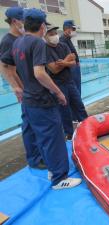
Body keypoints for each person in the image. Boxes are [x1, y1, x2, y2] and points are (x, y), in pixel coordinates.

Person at [1, 8, 81, 189]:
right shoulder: (38, 43)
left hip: (29, 99)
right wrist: (58, 92)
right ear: (43, 26)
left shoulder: (17, 42)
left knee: (43, 137)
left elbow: (5, 64)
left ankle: (52, 169)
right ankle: (59, 178)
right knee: (54, 137)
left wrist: (17, 86)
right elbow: (40, 73)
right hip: (42, 99)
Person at [45, 25, 88, 140]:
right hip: (57, 84)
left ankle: (87, 127)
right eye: (51, 34)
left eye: (55, 32)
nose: (54, 35)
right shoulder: (44, 49)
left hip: (69, 81)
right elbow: (53, 69)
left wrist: (63, 63)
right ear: (45, 36)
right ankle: (69, 134)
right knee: (64, 110)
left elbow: (73, 61)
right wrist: (67, 61)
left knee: (79, 104)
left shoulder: (63, 46)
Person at [0, 7, 24, 103]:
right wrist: (17, 87)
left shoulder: (22, 37)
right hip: (26, 89)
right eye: (24, 20)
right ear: (14, 21)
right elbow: (5, 67)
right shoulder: (8, 41)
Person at [59, 20, 81, 94]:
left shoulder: (67, 39)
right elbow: (69, 56)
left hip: (74, 67)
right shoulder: (63, 40)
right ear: (67, 29)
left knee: (77, 88)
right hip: (71, 68)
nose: (74, 31)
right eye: (73, 29)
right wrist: (74, 61)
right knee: (75, 89)